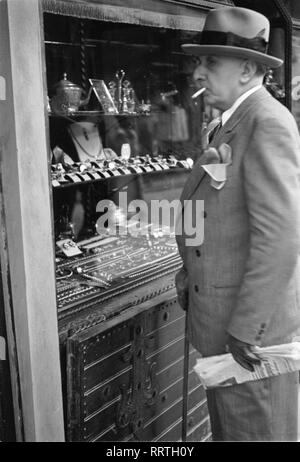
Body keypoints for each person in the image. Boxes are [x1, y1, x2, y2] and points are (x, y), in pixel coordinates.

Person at [175, 6, 300, 441]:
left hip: (247, 339)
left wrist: (247, 330)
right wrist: (187, 267)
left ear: (247, 69)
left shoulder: (266, 123)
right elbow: (211, 210)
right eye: (198, 60)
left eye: (210, 61)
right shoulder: (227, 124)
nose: (197, 73)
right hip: (224, 330)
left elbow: (281, 239)